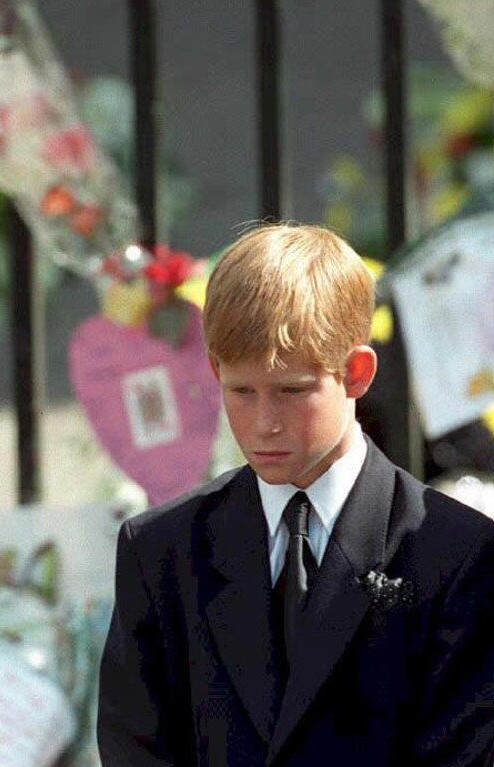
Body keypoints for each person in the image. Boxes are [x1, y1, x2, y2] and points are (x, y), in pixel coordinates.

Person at [97, 223, 494, 765]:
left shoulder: (456, 553)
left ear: (355, 373)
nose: (264, 423)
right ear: (215, 371)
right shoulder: (161, 551)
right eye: (241, 391)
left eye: (292, 391)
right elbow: (136, 747)